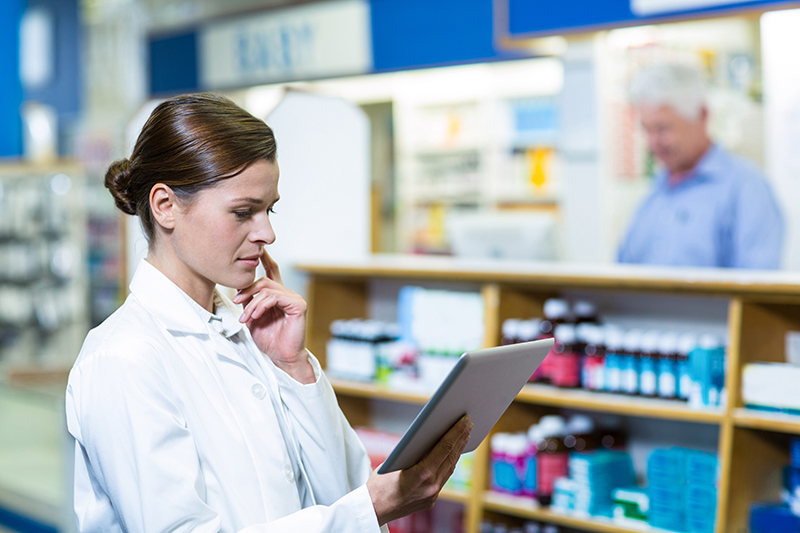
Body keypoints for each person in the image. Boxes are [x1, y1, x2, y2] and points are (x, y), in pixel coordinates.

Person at [65, 93, 473, 532]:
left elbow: (342, 490)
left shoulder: (252, 333)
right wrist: (367, 510)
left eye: (269, 209)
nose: (268, 233)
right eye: (244, 212)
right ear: (165, 206)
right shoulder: (124, 359)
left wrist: (293, 368)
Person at [617, 63, 784, 269]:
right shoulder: (655, 193)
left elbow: (757, 290)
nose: (652, 143)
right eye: (646, 129)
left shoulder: (746, 189)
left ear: (702, 116)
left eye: (662, 129)